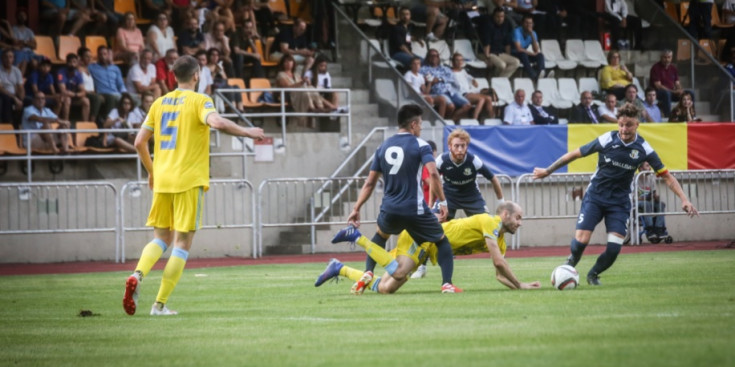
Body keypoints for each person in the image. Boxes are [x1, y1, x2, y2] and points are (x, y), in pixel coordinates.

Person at [123, 55, 265, 316]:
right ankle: (159, 305)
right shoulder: (201, 100)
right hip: (188, 180)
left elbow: (139, 142)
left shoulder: (159, 103)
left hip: (163, 179)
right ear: (197, 75)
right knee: (182, 243)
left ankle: (137, 274)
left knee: (160, 238)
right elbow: (218, 123)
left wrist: (152, 172)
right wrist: (248, 132)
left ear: (173, 76)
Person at [533, 103, 699, 286]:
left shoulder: (644, 148)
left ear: (637, 124)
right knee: (582, 239)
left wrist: (684, 199)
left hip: (619, 203)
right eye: (620, 124)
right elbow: (575, 154)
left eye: (628, 125)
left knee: (614, 248)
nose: (624, 129)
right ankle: (570, 264)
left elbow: (666, 176)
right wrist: (548, 171)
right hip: (595, 196)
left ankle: (593, 274)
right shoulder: (607, 139)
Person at [329, 104, 461, 294]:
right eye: (421, 124)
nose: (421, 127)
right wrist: (443, 201)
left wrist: (356, 207)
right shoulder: (420, 144)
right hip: (414, 209)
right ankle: (447, 284)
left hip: (390, 208)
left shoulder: (383, 147)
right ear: (413, 124)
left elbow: (369, 183)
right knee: (442, 241)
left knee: (380, 237)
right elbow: (433, 173)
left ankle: (368, 271)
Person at [316, 202, 541, 293]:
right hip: (424, 237)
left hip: (428, 246)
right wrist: (520, 284)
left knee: (385, 288)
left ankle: (339, 268)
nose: (520, 223)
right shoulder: (491, 222)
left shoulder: (500, 240)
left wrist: (517, 286)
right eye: (518, 218)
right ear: (505, 215)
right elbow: (498, 262)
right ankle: (357, 237)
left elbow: (500, 274)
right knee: (399, 273)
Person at [437, 128, 505, 221]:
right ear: (450, 146)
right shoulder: (441, 160)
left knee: (486, 222)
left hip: (471, 196)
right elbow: (433, 180)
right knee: (436, 222)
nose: (460, 149)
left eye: (463, 146)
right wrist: (431, 203)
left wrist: (501, 203)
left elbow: (493, 179)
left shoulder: (474, 161)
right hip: (449, 195)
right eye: (456, 146)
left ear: (467, 147)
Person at [275, 54, 335, 125]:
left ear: (293, 63)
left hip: (299, 93)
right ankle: (314, 108)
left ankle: (320, 107)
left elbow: (303, 84)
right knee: (305, 89)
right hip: (287, 95)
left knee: (310, 88)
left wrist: (307, 82)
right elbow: (287, 87)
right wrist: (302, 83)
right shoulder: (280, 74)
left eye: (290, 61)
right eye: (286, 62)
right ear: (282, 64)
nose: (288, 63)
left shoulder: (296, 74)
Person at [420, 49, 471, 123]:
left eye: (437, 55)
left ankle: (451, 121)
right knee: (451, 106)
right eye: (432, 55)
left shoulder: (444, 68)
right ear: (428, 57)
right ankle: (443, 122)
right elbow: (420, 79)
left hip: (451, 91)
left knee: (467, 105)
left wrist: (440, 79)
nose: (435, 57)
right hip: (438, 92)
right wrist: (428, 81)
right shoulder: (423, 69)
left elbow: (452, 78)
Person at [476, 7, 521, 78]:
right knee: (502, 65)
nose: (500, 19)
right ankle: (497, 80)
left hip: (499, 53)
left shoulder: (506, 25)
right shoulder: (488, 25)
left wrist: (508, 56)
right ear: (494, 16)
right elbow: (487, 44)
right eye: (498, 16)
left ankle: (498, 79)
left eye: (502, 17)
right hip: (488, 53)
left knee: (516, 62)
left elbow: (507, 43)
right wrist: (487, 58)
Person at [451, 53, 497, 121]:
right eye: (457, 60)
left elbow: (468, 77)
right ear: (453, 62)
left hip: (469, 92)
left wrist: (473, 80)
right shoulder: (451, 73)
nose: (459, 62)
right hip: (462, 94)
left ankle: (492, 119)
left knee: (489, 98)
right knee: (481, 99)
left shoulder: (463, 71)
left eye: (461, 60)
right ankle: (474, 119)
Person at [88, 46, 127, 119]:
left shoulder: (115, 68)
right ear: (98, 56)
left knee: (134, 99)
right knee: (111, 98)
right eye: (100, 54)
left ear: (108, 55)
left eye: (105, 54)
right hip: (103, 93)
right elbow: (82, 69)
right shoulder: (92, 67)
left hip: (117, 93)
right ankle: (108, 121)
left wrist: (124, 93)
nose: (103, 56)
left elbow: (120, 84)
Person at [636, 161, 669, 242]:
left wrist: (656, 197)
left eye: (649, 166)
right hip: (637, 203)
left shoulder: (651, 178)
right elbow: (635, 197)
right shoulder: (635, 179)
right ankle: (649, 229)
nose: (649, 168)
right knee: (646, 203)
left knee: (661, 204)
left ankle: (659, 229)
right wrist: (646, 198)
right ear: (641, 168)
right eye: (647, 166)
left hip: (648, 202)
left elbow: (653, 194)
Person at [650, 49, 686, 117]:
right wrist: (673, 92)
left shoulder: (673, 68)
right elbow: (658, 86)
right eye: (665, 57)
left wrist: (680, 90)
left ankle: (690, 114)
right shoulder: (655, 68)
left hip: (671, 93)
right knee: (667, 94)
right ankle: (668, 116)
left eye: (669, 57)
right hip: (658, 93)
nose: (667, 59)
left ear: (671, 57)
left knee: (690, 93)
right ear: (661, 57)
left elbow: (677, 83)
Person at [56, 53, 91, 122]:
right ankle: (66, 123)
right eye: (70, 62)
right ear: (67, 63)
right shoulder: (61, 72)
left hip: (74, 95)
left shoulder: (78, 73)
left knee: (86, 101)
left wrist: (75, 95)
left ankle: (85, 124)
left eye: (74, 62)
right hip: (62, 97)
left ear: (77, 63)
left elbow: (83, 91)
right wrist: (74, 94)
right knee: (67, 100)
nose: (72, 64)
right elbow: (63, 91)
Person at [511, 15, 545, 81]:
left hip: (524, 54)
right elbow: (518, 49)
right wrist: (532, 54)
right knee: (523, 54)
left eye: (530, 23)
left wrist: (532, 35)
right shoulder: (517, 31)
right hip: (514, 54)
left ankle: (540, 74)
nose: (528, 25)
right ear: (522, 23)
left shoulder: (533, 33)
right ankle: (533, 76)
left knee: (540, 55)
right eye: (526, 23)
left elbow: (535, 50)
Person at [76, 47, 104, 125]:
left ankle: (101, 120)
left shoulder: (89, 68)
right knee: (97, 98)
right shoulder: (78, 69)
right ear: (81, 57)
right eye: (87, 56)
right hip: (84, 92)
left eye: (90, 57)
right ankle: (92, 122)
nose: (89, 59)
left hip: (92, 92)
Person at [0, 49, 24, 126]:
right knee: (7, 100)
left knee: (29, 101)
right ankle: (7, 125)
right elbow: (1, 88)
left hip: (15, 95)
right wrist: (15, 98)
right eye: (6, 57)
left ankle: (22, 126)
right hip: (3, 95)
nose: (8, 59)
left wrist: (21, 99)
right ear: (2, 58)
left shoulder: (16, 71)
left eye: (10, 57)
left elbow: (20, 87)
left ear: (13, 59)